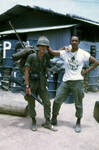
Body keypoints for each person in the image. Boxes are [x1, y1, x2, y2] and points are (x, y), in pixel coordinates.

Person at [48, 35, 99, 133]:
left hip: (78, 81)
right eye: (72, 40)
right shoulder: (65, 52)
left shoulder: (83, 53)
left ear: (79, 42)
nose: (74, 42)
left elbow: (96, 62)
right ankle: (54, 118)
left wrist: (86, 71)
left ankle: (78, 121)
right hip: (66, 81)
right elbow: (53, 53)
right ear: (70, 42)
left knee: (78, 103)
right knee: (57, 100)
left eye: (76, 40)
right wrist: (48, 45)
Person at [24, 36, 56, 131]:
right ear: (38, 46)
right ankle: (34, 121)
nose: (43, 48)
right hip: (32, 83)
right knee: (31, 103)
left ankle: (47, 122)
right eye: (41, 46)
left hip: (42, 82)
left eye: (45, 46)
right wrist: (27, 86)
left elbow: (48, 64)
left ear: (47, 48)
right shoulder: (31, 57)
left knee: (47, 102)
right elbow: (26, 71)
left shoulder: (46, 56)